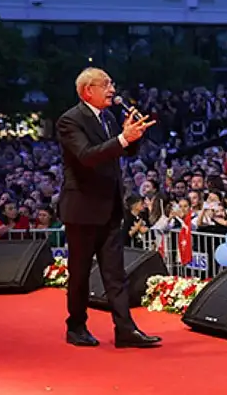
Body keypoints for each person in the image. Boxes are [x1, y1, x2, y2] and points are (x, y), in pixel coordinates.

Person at [56, 67, 159, 349]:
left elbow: (122, 151)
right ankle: (76, 326)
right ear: (88, 90)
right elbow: (87, 157)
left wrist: (132, 136)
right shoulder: (70, 121)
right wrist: (123, 138)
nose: (113, 89)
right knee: (79, 273)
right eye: (107, 84)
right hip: (82, 209)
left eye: (112, 83)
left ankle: (125, 330)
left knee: (116, 274)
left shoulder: (110, 118)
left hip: (111, 207)